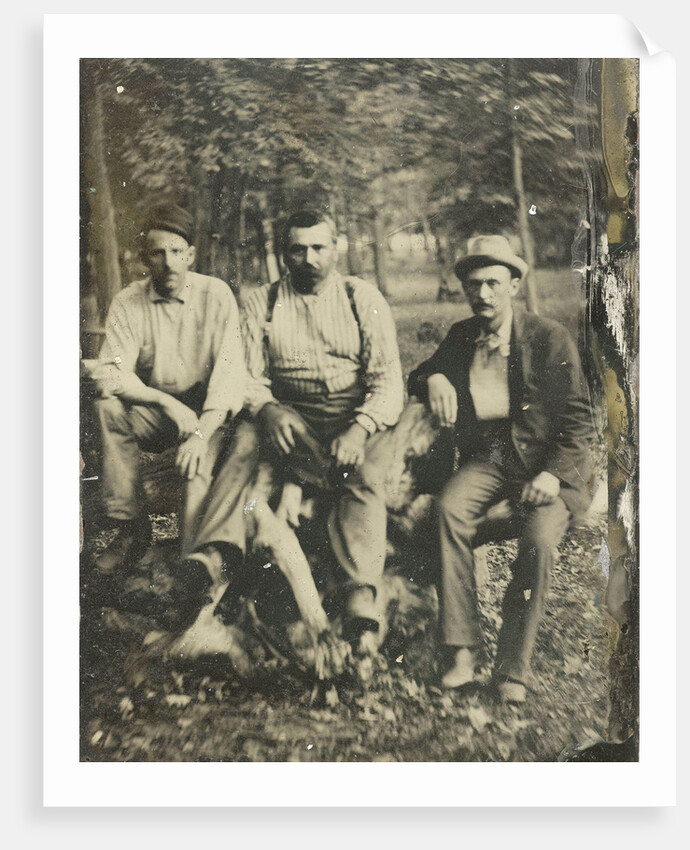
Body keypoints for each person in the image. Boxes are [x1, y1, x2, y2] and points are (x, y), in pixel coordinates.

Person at [408, 235, 593, 703]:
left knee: (537, 541)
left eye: (493, 283)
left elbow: (579, 419)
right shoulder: (462, 335)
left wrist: (552, 475)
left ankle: (513, 669)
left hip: (552, 466)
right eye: (474, 285)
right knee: (448, 511)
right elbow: (419, 373)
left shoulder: (548, 337)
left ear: (513, 284)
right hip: (491, 458)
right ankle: (461, 651)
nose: (483, 294)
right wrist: (432, 377)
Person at [240, 208, 404, 646]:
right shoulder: (262, 302)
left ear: (335, 249)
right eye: (298, 249)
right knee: (277, 468)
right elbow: (248, 377)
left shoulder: (360, 296)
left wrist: (360, 428)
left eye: (319, 247)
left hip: (355, 411)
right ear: (283, 254)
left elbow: (388, 382)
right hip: (294, 415)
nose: (309, 258)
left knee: (362, 474)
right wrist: (268, 408)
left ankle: (359, 601)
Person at [83, 203, 248, 598]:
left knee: (195, 470)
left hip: (208, 413)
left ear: (191, 255)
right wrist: (164, 402)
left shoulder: (216, 295)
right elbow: (109, 373)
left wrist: (201, 434)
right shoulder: (129, 301)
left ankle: (192, 574)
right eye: (158, 253)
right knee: (106, 407)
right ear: (145, 258)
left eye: (177, 252)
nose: (169, 263)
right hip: (157, 411)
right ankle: (129, 527)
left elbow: (228, 380)